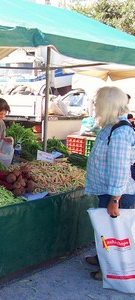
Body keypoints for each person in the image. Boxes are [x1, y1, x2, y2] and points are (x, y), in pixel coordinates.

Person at [85, 86, 135, 281]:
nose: (95, 105)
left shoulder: (121, 132)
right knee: (106, 229)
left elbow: (119, 167)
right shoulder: (110, 126)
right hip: (107, 189)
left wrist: (115, 198)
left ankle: (112, 271)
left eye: (98, 102)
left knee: (116, 233)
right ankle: (101, 258)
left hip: (117, 193)